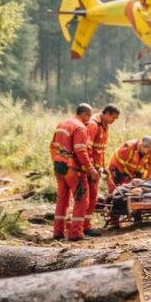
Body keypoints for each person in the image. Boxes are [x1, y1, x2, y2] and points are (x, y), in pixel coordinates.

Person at [49, 103, 98, 241]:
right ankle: (75, 233)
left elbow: (52, 146)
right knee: (81, 200)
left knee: (62, 199)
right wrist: (91, 169)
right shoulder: (80, 127)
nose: (89, 119)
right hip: (72, 169)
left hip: (59, 166)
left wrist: (57, 161)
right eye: (88, 116)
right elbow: (81, 151)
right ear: (84, 114)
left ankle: (58, 232)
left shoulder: (63, 124)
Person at [83, 104, 120, 237]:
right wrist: (92, 168)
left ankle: (84, 225)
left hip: (96, 168)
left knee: (92, 199)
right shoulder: (93, 125)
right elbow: (87, 149)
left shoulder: (104, 126)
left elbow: (100, 151)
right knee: (87, 199)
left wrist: (102, 168)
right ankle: (84, 227)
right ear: (107, 113)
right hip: (90, 169)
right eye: (113, 118)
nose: (114, 121)